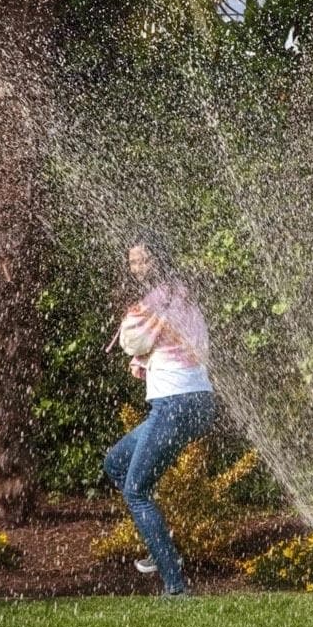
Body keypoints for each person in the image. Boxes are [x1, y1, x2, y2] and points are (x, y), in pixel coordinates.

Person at [103, 233, 216, 598]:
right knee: (116, 462)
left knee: (136, 491)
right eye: (132, 262)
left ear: (159, 261)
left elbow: (132, 341)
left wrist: (135, 344)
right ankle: (160, 544)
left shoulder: (155, 301)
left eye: (144, 261)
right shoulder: (185, 296)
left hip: (173, 404)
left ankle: (175, 587)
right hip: (198, 402)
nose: (137, 269)